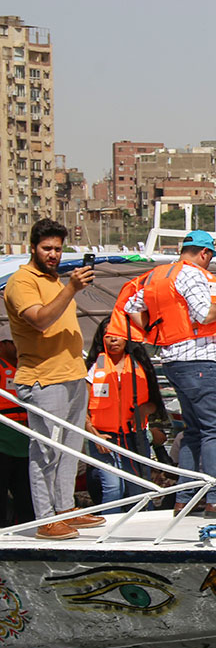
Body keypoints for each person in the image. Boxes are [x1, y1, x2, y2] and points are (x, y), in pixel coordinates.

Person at [124, 229, 216, 518]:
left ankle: (185, 497)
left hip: (175, 361)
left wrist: (157, 330)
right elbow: (204, 315)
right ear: (204, 253)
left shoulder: (158, 275)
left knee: (194, 431)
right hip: (201, 362)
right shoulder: (193, 275)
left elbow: (132, 307)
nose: (209, 263)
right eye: (210, 258)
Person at [3, 219, 104, 539]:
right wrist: (72, 288)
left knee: (70, 449)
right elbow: (40, 321)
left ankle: (65, 509)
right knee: (45, 450)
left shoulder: (54, 281)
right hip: (42, 379)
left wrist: (67, 286)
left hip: (72, 375)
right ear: (33, 248)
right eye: (47, 248)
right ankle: (45, 517)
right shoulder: (22, 282)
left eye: (58, 249)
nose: (53, 255)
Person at [83, 320, 165, 512]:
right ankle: (109, 531)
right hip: (104, 438)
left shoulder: (140, 366)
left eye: (117, 334)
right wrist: (94, 436)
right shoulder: (94, 368)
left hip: (136, 437)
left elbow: (155, 404)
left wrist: (144, 410)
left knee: (140, 488)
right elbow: (82, 409)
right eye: (108, 335)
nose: (113, 339)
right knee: (113, 488)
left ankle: (145, 530)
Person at [0, 339, 33, 528]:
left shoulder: (27, 368)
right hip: (3, 438)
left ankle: (28, 525)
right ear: (2, 345)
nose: (17, 346)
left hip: (24, 438)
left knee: (25, 490)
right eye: (12, 343)